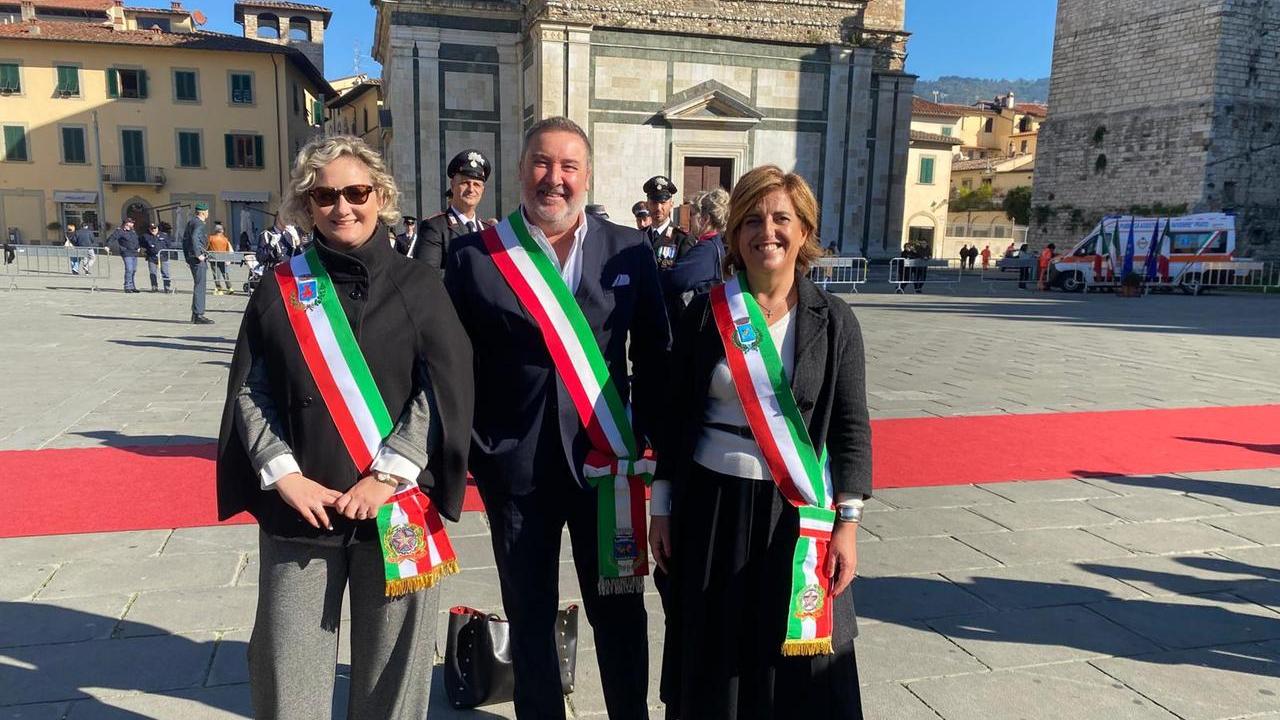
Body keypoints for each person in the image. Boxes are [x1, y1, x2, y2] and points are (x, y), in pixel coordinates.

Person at [217, 134, 475, 720]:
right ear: (306, 205)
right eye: (324, 195)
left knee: (394, 683)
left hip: (397, 507)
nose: (342, 207)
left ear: (380, 195)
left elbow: (443, 389)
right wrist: (284, 476)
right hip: (300, 511)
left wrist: (387, 474)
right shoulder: (279, 287)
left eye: (356, 192)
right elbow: (250, 391)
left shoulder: (420, 285)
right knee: (289, 679)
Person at [444, 117, 668, 720]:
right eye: (542, 163)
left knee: (620, 611)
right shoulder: (474, 256)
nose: (555, 178)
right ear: (521, 170)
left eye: (569, 166)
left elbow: (654, 354)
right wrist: (476, 448)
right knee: (529, 613)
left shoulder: (629, 248)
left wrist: (648, 443)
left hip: (608, 467)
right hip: (516, 470)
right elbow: (452, 364)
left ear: (587, 175)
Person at [652, 165, 869, 719]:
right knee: (714, 653)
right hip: (710, 507)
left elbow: (851, 426)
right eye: (751, 220)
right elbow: (675, 419)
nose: (765, 231)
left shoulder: (834, 320)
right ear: (733, 235)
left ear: (804, 232)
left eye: (780, 219)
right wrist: (662, 508)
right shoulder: (707, 313)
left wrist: (848, 524)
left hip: (795, 511)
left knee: (794, 657)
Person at [415, 149, 492, 272]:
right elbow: (427, 275)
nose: (471, 189)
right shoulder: (434, 227)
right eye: (465, 183)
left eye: (476, 185)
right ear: (452, 186)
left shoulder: (489, 231)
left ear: (483, 191)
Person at [660, 188, 727, 322]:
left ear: (704, 219)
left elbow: (675, 279)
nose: (690, 219)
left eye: (692, 214)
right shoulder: (713, 244)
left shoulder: (706, 249)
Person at [644, 175, 694, 270]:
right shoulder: (640, 235)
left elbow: (685, 274)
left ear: (671, 205)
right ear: (647, 205)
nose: (658, 208)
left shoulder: (682, 239)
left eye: (663, 203)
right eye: (654, 203)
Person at [182, 201, 213, 324]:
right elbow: (194, 238)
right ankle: (198, 314)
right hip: (197, 259)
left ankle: (195, 314)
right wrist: (198, 254)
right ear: (204, 212)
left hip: (192, 257)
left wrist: (187, 257)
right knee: (200, 285)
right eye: (207, 211)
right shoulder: (199, 223)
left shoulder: (191, 222)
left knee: (198, 284)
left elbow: (185, 240)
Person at [107, 218, 141, 293]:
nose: (132, 224)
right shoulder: (120, 231)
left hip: (134, 252)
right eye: (131, 223)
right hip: (126, 252)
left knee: (133, 270)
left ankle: (132, 286)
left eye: (132, 223)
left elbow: (136, 240)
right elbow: (112, 238)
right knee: (129, 269)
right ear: (126, 223)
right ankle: (127, 286)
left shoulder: (133, 231)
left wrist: (138, 247)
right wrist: (108, 246)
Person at [140, 222, 174, 293]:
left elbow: (169, 245)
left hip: (163, 257)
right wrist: (144, 251)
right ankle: (154, 287)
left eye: (155, 228)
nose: (153, 230)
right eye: (151, 228)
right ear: (149, 229)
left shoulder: (164, 235)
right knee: (153, 273)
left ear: (157, 228)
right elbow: (142, 245)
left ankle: (167, 287)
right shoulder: (145, 236)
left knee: (165, 272)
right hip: (152, 257)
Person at [207, 222, 234, 295]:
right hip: (223, 257)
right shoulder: (225, 239)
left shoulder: (211, 238)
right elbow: (227, 250)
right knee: (225, 273)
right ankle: (229, 287)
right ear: (222, 231)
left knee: (216, 274)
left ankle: (219, 289)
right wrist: (228, 259)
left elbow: (207, 247)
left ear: (215, 230)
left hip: (213, 257)